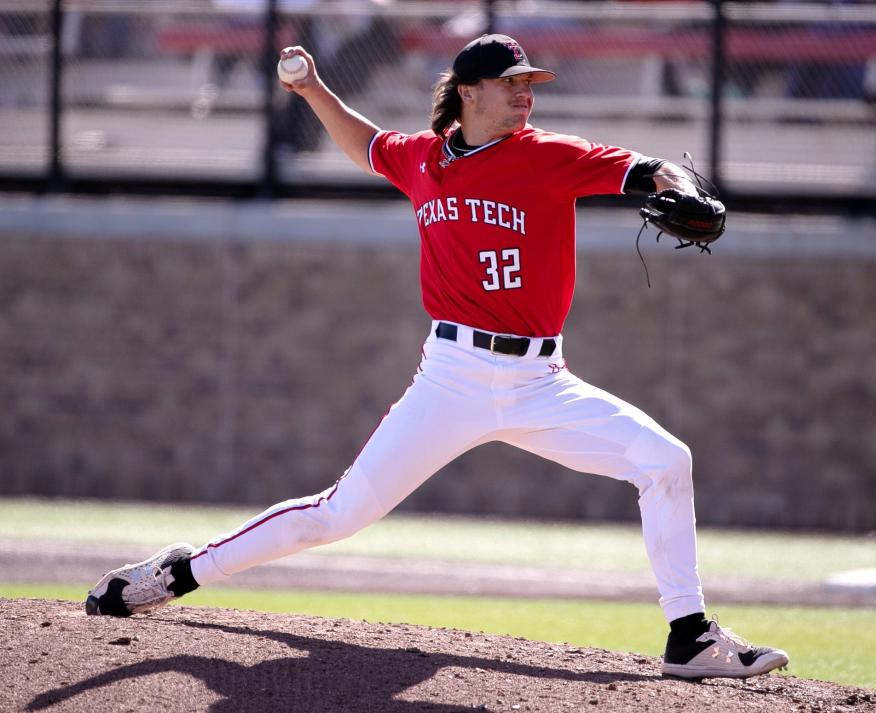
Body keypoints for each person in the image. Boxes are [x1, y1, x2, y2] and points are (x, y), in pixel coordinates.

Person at [85, 33, 789, 681]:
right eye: (510, 82)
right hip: (450, 378)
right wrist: (314, 91)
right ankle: (178, 574)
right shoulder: (422, 158)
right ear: (468, 91)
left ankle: (690, 637)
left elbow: (642, 168)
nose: (525, 93)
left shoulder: (546, 154)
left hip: (541, 381)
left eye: (529, 82)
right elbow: (366, 144)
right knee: (336, 516)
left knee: (666, 460)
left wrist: (684, 189)